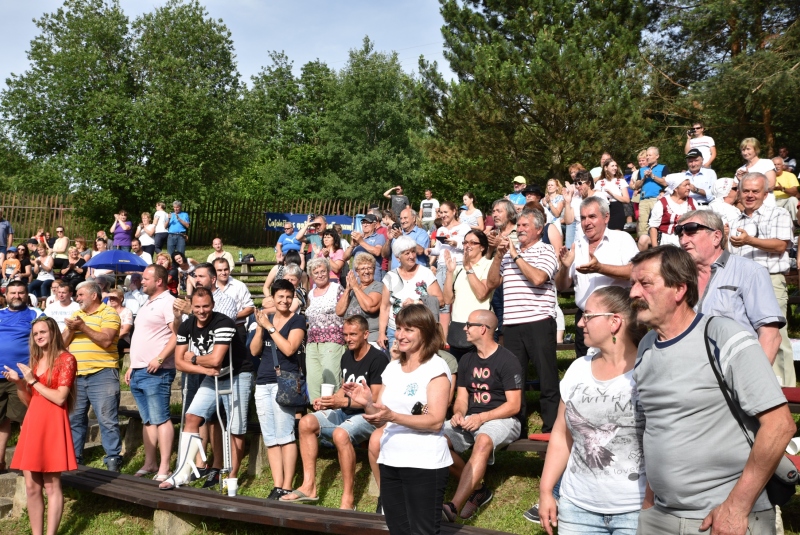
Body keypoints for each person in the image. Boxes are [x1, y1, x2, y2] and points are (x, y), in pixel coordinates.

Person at [629, 245, 795, 534]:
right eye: (633, 283)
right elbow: (654, 427)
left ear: (679, 289)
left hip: (722, 519)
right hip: (661, 517)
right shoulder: (645, 347)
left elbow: (780, 426)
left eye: (644, 283)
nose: (632, 293)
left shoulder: (723, 335)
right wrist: (649, 503)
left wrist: (736, 507)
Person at [536, 286, 647, 534]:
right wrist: (546, 491)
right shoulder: (578, 369)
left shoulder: (648, 369)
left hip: (636, 509)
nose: (580, 323)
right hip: (577, 508)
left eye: (588, 316)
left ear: (614, 322)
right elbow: (561, 435)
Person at [343, 305, 452, 535]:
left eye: (409, 330)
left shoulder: (435, 367)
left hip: (424, 464)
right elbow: (380, 416)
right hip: (391, 460)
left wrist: (393, 416)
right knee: (398, 530)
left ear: (425, 332)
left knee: (422, 531)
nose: (401, 335)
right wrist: (366, 403)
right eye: (399, 328)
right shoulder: (392, 368)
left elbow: (435, 421)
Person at [283, 314, 388, 508]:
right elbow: (344, 388)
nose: (348, 339)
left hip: (369, 416)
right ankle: (309, 487)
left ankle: (348, 498)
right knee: (306, 422)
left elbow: (373, 400)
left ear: (366, 334)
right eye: (345, 334)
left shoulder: (378, 359)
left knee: (340, 434)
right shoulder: (347, 355)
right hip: (345, 412)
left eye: (353, 334)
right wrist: (327, 401)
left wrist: (340, 403)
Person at [159, 287, 253, 490]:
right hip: (211, 375)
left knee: (235, 428)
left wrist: (193, 358)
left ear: (213, 305)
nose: (202, 311)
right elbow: (178, 363)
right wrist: (204, 369)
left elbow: (216, 359)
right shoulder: (186, 325)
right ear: (191, 307)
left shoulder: (224, 323)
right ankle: (183, 472)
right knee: (192, 417)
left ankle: (231, 476)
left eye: (206, 306)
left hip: (237, 374)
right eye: (197, 307)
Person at [441, 310, 522, 521]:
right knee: (434, 439)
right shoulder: (467, 359)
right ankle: (477, 489)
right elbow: (462, 397)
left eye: (469, 325)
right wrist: (458, 413)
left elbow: (514, 405)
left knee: (484, 440)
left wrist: (482, 417)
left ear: (483, 329)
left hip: (502, 418)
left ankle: (453, 507)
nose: (465, 328)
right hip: (471, 419)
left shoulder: (507, 360)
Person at [677, 210, 784, 364]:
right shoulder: (677, 278)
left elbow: (771, 336)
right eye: (680, 235)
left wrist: (755, 382)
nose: (683, 241)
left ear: (716, 237)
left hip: (736, 375)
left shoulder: (750, 272)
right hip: (690, 375)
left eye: (691, 233)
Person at [486, 208, 558, 437]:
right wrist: (499, 255)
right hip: (512, 324)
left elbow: (538, 278)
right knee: (515, 380)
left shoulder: (546, 250)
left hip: (539, 321)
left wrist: (516, 254)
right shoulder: (506, 255)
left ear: (539, 229)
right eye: (519, 225)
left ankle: (551, 428)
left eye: (526, 225)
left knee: (547, 376)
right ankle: (517, 427)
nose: (520, 229)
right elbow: (491, 282)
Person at [3, 316, 77, 535]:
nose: (39, 337)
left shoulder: (66, 359)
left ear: (53, 332)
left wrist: (32, 380)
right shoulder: (35, 361)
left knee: (52, 484)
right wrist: (19, 382)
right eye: (35, 334)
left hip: (53, 423)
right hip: (33, 422)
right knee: (31, 486)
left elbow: (60, 398)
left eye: (42, 332)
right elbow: (30, 400)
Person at [730, 172, 795, 387]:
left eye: (755, 191)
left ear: (765, 193)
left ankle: (784, 390)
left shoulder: (778, 214)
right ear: (739, 193)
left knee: (777, 336)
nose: (749, 195)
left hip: (770, 279)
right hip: (741, 282)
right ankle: (752, 385)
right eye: (745, 190)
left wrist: (749, 240)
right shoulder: (735, 219)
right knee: (745, 333)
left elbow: (780, 246)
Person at [555, 196, 638, 358]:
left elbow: (635, 272)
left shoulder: (622, 240)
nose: (587, 222)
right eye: (583, 218)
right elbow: (561, 286)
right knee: (587, 369)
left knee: (622, 367)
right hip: (585, 319)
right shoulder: (576, 246)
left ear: (606, 217)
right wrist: (564, 268)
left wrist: (600, 268)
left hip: (617, 318)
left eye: (592, 216)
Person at [250, 279, 307, 500]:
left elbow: (290, 348)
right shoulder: (266, 319)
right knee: (270, 437)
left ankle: (287, 484)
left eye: (288, 297)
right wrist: (259, 328)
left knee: (285, 434)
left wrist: (270, 328)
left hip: (284, 381)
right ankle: (277, 484)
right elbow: (255, 351)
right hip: (263, 381)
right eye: (280, 297)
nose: (284, 301)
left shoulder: (298, 320)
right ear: (272, 298)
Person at [63, 281, 123, 471]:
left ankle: (113, 460)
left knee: (107, 419)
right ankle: (74, 460)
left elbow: (106, 340)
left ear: (93, 295)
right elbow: (62, 343)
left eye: (80, 295)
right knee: (75, 419)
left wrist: (83, 327)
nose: (77, 298)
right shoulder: (76, 315)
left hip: (102, 373)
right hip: (77, 375)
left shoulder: (109, 313)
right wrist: (72, 329)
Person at [126, 265, 176, 482]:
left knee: (161, 419)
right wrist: (132, 365)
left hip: (157, 371)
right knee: (148, 420)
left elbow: (178, 334)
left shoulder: (168, 302)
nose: (141, 280)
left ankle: (164, 467)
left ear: (159, 281)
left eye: (146, 278)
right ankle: (150, 462)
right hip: (139, 370)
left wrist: (161, 358)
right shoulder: (147, 302)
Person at [0, 282, 42, 472]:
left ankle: (27, 462)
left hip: (22, 376)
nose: (16, 296)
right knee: (1, 421)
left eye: (21, 292)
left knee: (25, 419)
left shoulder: (36, 315)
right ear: (6, 295)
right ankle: (0, 461)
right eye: (13, 293)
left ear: (27, 295)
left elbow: (48, 339)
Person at [379, 236, 443, 351]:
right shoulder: (390, 277)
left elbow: (441, 300)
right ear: (398, 257)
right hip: (395, 332)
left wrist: (417, 302)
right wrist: (381, 333)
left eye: (413, 252)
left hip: (420, 331)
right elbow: (385, 307)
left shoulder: (426, 273)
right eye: (407, 253)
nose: (412, 256)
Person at [442, 231, 494, 360]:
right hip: (458, 329)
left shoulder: (489, 265)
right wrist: (449, 272)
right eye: (465, 242)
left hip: (479, 328)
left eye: (472, 242)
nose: (467, 245)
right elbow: (448, 299)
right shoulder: (458, 269)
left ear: (482, 247)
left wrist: (468, 268)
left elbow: (482, 293)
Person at [428, 201, 471, 340]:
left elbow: (469, 246)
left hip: (457, 264)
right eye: (441, 212)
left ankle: (458, 334)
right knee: (442, 303)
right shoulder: (440, 230)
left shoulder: (464, 227)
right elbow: (438, 250)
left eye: (446, 212)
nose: (443, 215)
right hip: (441, 265)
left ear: (454, 211)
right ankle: (443, 339)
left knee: (456, 299)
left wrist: (456, 243)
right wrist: (428, 250)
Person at [305, 257, 346, 401]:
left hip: (332, 340)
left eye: (323, 271)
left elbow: (344, 311)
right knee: (314, 380)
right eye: (316, 272)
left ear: (329, 272)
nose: (320, 275)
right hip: (312, 343)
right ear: (311, 275)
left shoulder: (337, 288)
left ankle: (333, 414)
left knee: (331, 381)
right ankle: (317, 415)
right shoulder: (310, 293)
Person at [336, 253, 383, 347]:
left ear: (374, 270)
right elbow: (339, 311)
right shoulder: (353, 290)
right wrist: (348, 290)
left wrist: (355, 287)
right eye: (362, 269)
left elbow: (370, 307)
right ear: (357, 272)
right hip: (353, 342)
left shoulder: (378, 286)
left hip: (371, 340)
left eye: (369, 268)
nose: (366, 271)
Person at [645, 174, 698, 249]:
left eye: (689, 185)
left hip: (689, 241)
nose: (688, 187)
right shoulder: (662, 203)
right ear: (676, 188)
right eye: (685, 185)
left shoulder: (692, 202)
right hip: (668, 242)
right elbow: (653, 227)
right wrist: (655, 249)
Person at [213, 257, 255, 341]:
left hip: (237, 328)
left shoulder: (239, 285)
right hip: (214, 329)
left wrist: (231, 316)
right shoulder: (210, 287)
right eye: (219, 270)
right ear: (214, 272)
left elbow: (250, 308)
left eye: (226, 269)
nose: (223, 273)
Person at [633, 146, 669, 239]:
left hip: (657, 199)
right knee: (642, 225)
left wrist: (652, 176)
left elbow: (665, 182)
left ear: (657, 156)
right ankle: (643, 245)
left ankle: (658, 243)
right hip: (644, 200)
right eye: (647, 155)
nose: (647, 157)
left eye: (650, 155)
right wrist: (644, 177)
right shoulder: (642, 170)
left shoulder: (663, 167)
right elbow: (636, 186)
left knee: (657, 222)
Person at [343, 214, 386, 281]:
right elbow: (344, 258)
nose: (365, 225)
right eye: (363, 223)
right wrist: (352, 246)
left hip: (372, 280)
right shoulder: (358, 238)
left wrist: (361, 242)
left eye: (368, 223)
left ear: (375, 225)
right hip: (357, 280)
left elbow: (377, 252)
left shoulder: (379, 237)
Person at [736, 138, 777, 205]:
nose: (745, 152)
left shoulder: (766, 163)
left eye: (748, 149)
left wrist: (749, 179)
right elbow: (737, 191)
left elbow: (771, 185)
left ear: (756, 149)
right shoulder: (740, 170)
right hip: (748, 206)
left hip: (766, 204)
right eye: (743, 150)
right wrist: (741, 181)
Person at [594, 159, 631, 230]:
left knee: (616, 234)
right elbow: (596, 199)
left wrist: (612, 194)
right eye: (612, 166)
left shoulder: (621, 181)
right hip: (604, 209)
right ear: (606, 168)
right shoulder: (600, 182)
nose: (615, 168)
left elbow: (627, 200)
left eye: (616, 166)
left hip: (617, 208)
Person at [107, 288, 133, 361]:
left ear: (121, 299)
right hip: (108, 338)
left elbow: (125, 331)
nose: (111, 300)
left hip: (122, 339)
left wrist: (112, 339)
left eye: (114, 298)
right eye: (110, 298)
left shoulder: (127, 312)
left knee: (111, 345)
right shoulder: (107, 312)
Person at [772, 156, 799, 222]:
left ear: (783, 166)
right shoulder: (767, 176)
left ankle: (796, 224)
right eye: (774, 164)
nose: (776, 166)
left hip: (786, 201)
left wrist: (782, 189)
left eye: (778, 164)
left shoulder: (790, 175)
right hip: (772, 201)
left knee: (793, 199)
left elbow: (795, 192)